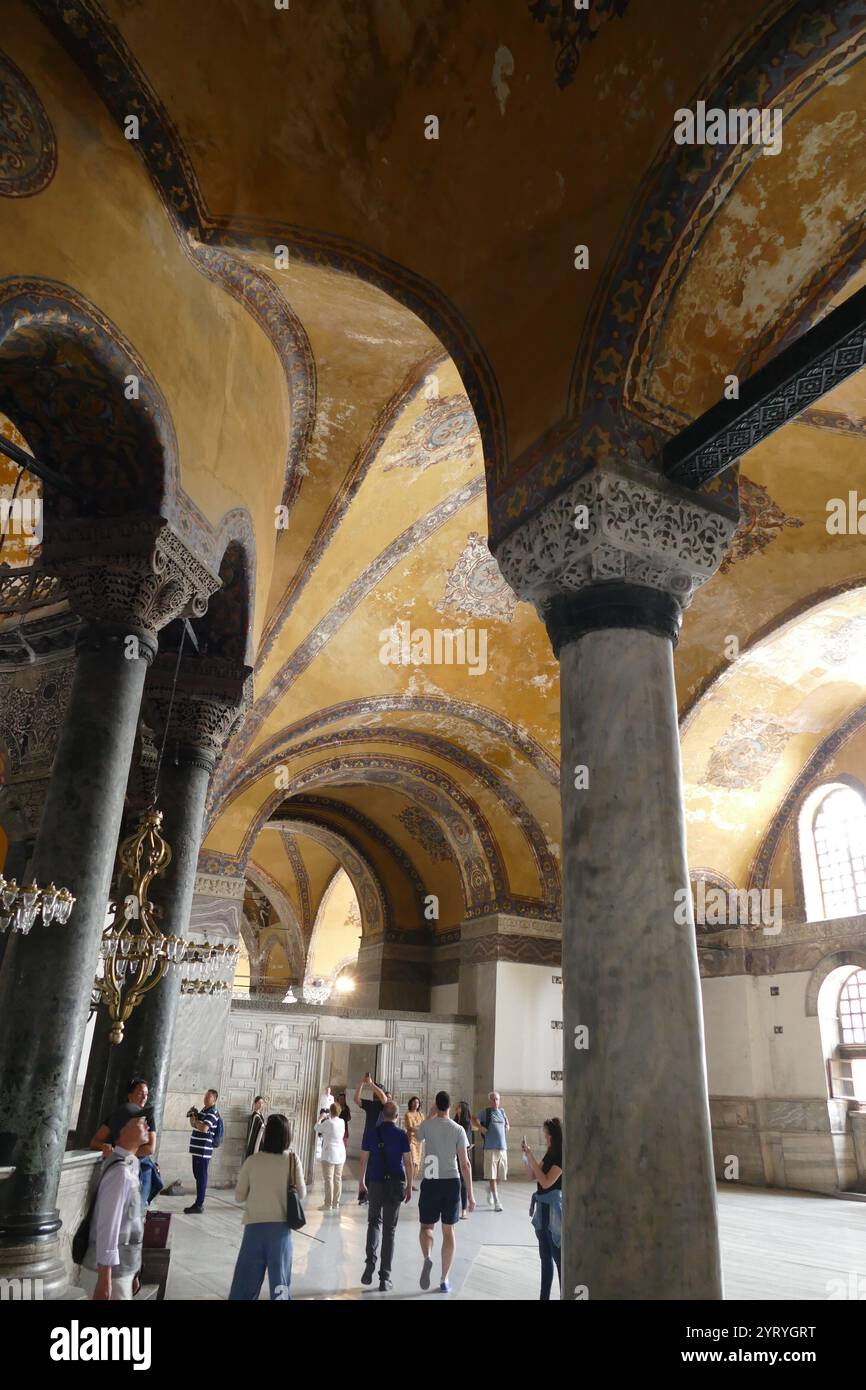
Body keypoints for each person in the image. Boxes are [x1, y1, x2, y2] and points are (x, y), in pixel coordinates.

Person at [229, 1113, 307, 1300]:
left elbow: (239, 1196)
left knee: (244, 1287)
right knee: (280, 1288)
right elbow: (302, 1194)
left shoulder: (252, 1161)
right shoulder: (292, 1160)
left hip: (254, 1231)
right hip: (281, 1233)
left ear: (265, 1136)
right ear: (288, 1135)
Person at [80, 1111, 148, 1301]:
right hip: (110, 1274)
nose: (147, 1126)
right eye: (141, 1122)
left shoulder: (131, 1166)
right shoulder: (120, 1173)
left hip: (122, 1270)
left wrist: (134, 1271)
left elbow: (131, 1225)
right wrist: (104, 1280)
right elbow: (108, 1227)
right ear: (122, 1131)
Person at [417, 1090, 475, 1294]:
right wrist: (470, 1194)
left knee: (426, 1227)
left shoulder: (427, 1125)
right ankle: (444, 1279)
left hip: (431, 1179)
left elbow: (416, 1136)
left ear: (436, 1105)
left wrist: (430, 1115)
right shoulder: (458, 1129)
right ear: (450, 1107)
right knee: (449, 1231)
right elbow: (465, 1163)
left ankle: (427, 1257)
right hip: (451, 1181)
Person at [361, 1100, 413, 1292]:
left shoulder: (372, 1133)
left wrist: (361, 1181)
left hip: (375, 1182)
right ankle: (385, 1277)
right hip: (396, 1183)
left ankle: (370, 1263)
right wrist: (409, 1185)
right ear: (397, 1116)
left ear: (382, 1114)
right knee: (389, 1231)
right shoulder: (401, 1135)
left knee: (373, 1222)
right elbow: (408, 1163)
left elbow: (364, 1160)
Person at [89, 1077, 161, 1205]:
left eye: (146, 1094)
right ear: (130, 1095)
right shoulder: (117, 1115)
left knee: (136, 1209)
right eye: (140, 1093)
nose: (144, 1097)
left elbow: (150, 1148)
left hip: (141, 1166)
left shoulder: (148, 1117)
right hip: (120, 1165)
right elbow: (95, 1141)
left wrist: (122, 1152)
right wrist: (105, 1147)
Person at [522, 1119, 563, 1301]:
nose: (544, 1136)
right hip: (542, 1208)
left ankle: (565, 1294)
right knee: (545, 1257)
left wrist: (531, 1158)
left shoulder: (561, 1156)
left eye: (545, 1133)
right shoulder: (549, 1154)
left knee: (557, 1256)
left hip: (553, 1209)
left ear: (552, 1136)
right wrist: (527, 1157)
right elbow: (533, 1176)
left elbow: (546, 1181)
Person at [353, 1072, 390, 1204]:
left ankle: (378, 1194)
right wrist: (362, 1084)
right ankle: (363, 1194)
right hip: (369, 1136)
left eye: (378, 1091)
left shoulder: (386, 1105)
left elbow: (384, 1098)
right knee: (365, 1165)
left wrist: (371, 1084)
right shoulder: (371, 1105)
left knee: (378, 1166)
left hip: (381, 1140)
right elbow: (356, 1099)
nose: (376, 1094)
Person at [185, 1088, 221, 1214]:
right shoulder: (204, 1110)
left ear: (214, 1099)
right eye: (205, 1096)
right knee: (197, 1175)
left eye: (209, 1097)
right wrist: (193, 1117)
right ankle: (198, 1203)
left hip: (203, 1150)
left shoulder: (213, 1112)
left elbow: (204, 1128)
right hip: (197, 1149)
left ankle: (199, 1204)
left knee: (201, 1176)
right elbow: (194, 1124)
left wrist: (196, 1122)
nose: (205, 1098)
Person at [477, 1090, 509, 1211]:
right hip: (490, 1148)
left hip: (502, 1148)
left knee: (501, 1176)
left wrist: (507, 1126)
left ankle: (490, 1189)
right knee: (492, 1175)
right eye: (493, 1099)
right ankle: (497, 1201)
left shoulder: (502, 1111)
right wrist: (481, 1128)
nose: (495, 1101)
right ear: (490, 1101)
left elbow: (507, 1122)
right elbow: (475, 1120)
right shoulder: (486, 1112)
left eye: (497, 1099)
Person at [315, 1103, 347, 1211]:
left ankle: (328, 1204)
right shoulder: (342, 1122)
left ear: (330, 1111)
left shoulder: (328, 1122)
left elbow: (316, 1128)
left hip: (329, 1153)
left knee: (328, 1179)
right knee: (338, 1179)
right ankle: (336, 1203)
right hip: (341, 1153)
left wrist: (320, 1118)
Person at [453, 1101, 474, 1219]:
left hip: (462, 1154)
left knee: (463, 1182)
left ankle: (464, 1209)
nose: (457, 1108)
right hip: (453, 1154)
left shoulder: (466, 1123)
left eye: (459, 1106)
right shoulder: (455, 1121)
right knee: (456, 1181)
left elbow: (464, 1139)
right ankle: (455, 1206)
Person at [403, 1096, 424, 1192]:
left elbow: (425, 1126)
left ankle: (410, 1184)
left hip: (419, 1141)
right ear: (411, 1103)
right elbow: (410, 1127)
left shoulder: (421, 1114)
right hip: (411, 1140)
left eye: (417, 1102)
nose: (416, 1104)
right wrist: (420, 1128)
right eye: (414, 1102)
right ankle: (408, 1184)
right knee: (413, 1162)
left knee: (417, 1165)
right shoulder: (408, 1114)